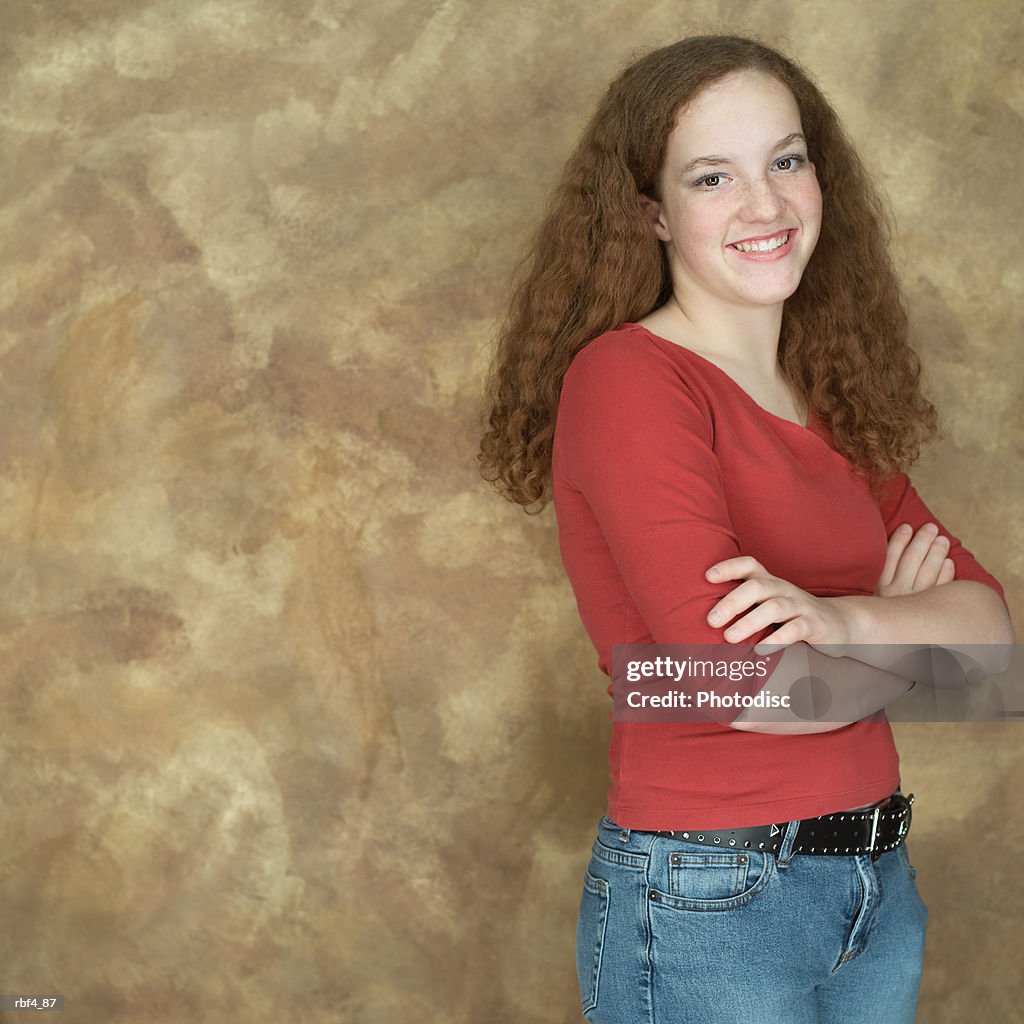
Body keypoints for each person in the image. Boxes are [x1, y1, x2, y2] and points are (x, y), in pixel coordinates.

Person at [478, 35, 1013, 1024]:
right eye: (712, 176)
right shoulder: (629, 381)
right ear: (651, 215)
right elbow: (731, 684)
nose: (764, 204)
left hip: (874, 886)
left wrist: (839, 625)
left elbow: (992, 654)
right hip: (710, 899)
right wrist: (904, 627)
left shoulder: (827, 390)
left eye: (785, 159)